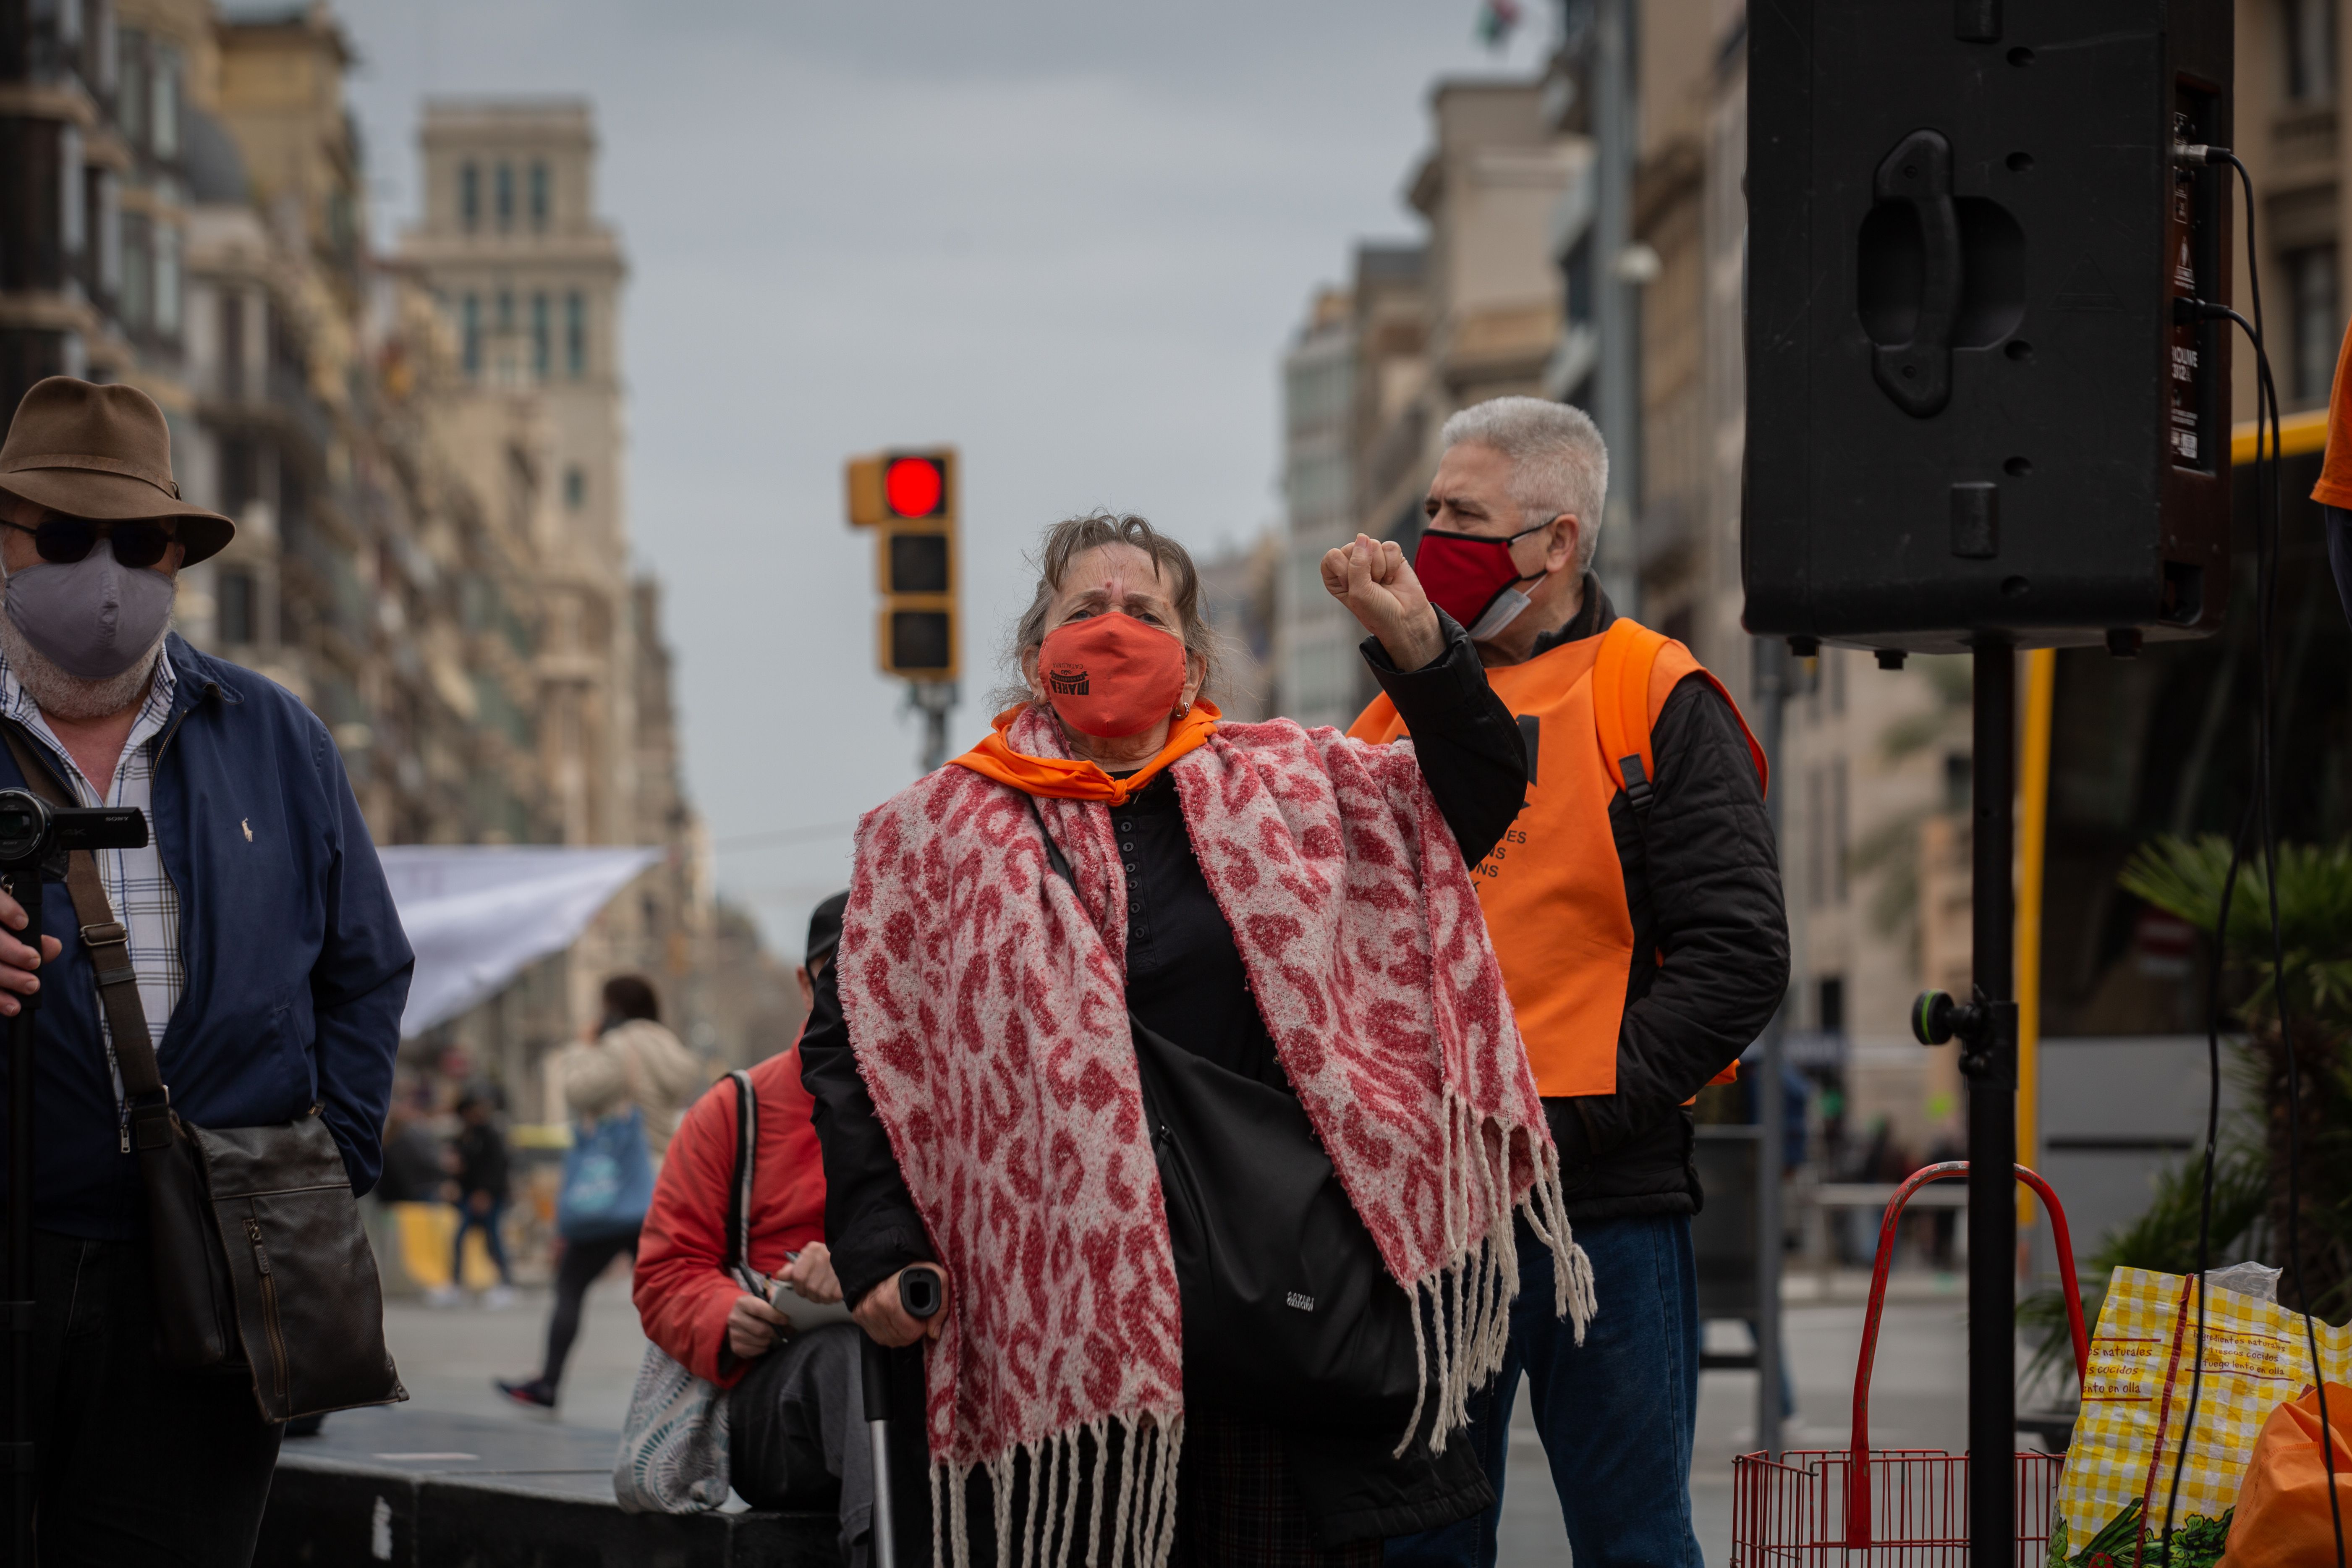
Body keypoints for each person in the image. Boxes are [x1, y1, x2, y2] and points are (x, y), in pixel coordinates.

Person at [804, 511, 1580, 1568]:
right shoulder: (930, 837)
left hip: (1272, 1318)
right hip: (1061, 1344)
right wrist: (879, 1244)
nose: (1113, 630)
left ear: (1195, 657)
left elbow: (1472, 798)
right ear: (1037, 650)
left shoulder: (1299, 787)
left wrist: (1421, 651)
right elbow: (858, 1050)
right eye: (1085, 609)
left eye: (1144, 611)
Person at [1354, 398, 1788, 1568]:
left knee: (1636, 1541)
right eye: (1430, 506)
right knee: (1419, 1546)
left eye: (1464, 514)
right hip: (1433, 1213)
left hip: (1604, 1208)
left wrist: (1580, 1116)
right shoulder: (1388, 714)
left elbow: (1740, 951)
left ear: (1554, 542)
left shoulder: (1654, 688)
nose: (1431, 533)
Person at [0, 377, 412, 1561]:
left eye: (137, 542)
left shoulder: (274, 733)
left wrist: (325, 1163)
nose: (106, 573)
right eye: (66, 539)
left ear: (177, 553)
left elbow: (365, 964)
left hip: (215, 1270)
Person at [633, 891, 923, 1567]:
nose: (859, 992)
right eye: (839, 973)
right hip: (779, 1408)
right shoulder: (736, 1109)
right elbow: (665, 1268)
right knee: (848, 1361)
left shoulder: (944, 1101)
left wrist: (871, 1262)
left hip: (922, 1383)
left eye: (880, 970)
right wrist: (726, 1314)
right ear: (805, 982)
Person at [499, 974, 703, 1410]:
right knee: (664, 1288)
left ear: (614, 1008)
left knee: (571, 1283)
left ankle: (549, 1382)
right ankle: (691, 1386)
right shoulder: (671, 1048)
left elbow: (578, 1090)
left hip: (616, 1183)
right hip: (661, 1181)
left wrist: (582, 1045)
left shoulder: (617, 1048)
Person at [440, 1084, 516, 1309]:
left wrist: (486, 1193)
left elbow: (497, 1168)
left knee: (493, 1240)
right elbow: (461, 1166)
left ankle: (506, 1285)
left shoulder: (490, 1135)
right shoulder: (464, 1136)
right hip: (469, 1197)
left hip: (489, 1198)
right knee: (460, 1239)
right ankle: (456, 1284)